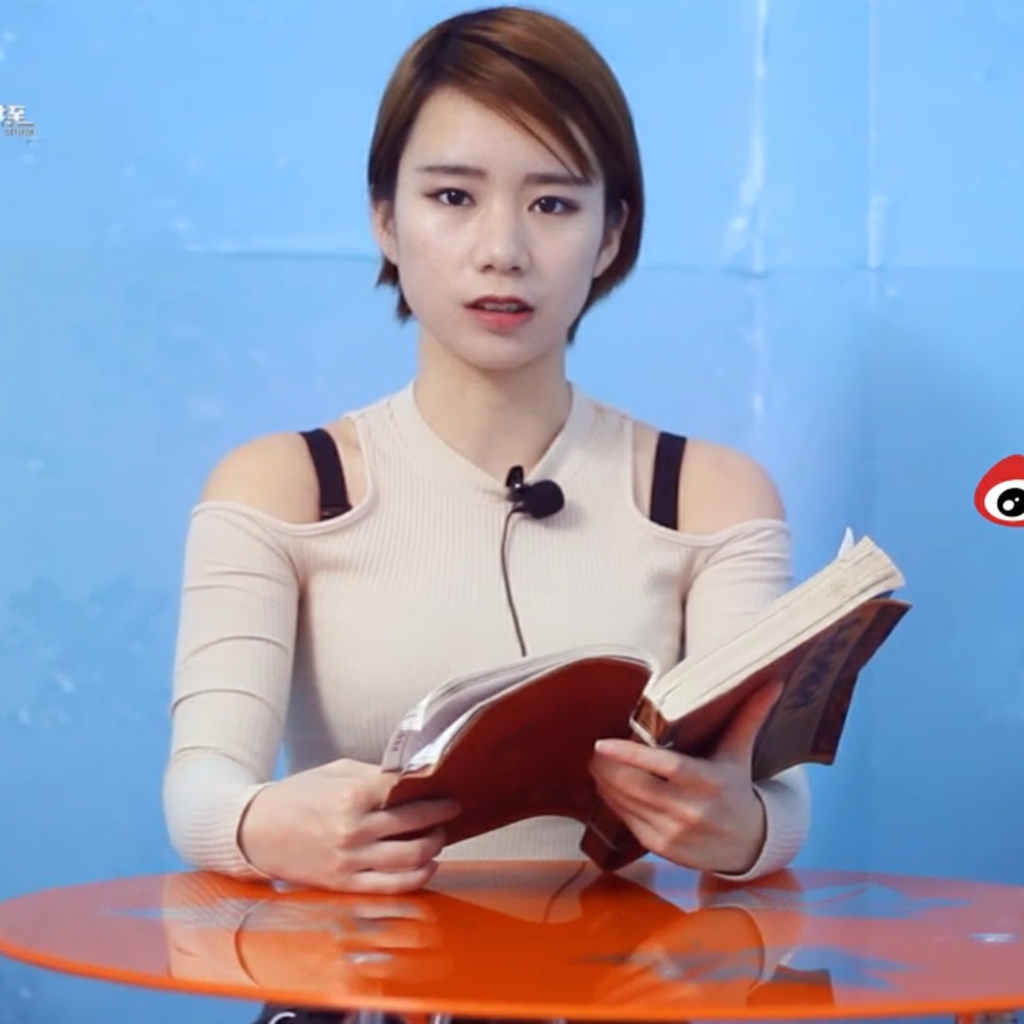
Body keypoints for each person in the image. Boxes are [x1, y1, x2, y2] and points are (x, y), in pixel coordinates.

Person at [163, 6, 810, 1019]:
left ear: (612, 233)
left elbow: (777, 805)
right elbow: (200, 785)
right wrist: (257, 825)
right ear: (386, 218)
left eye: (553, 203)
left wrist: (738, 829)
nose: (501, 249)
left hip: (611, 999)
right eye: (453, 196)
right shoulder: (282, 485)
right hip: (355, 997)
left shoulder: (710, 495)